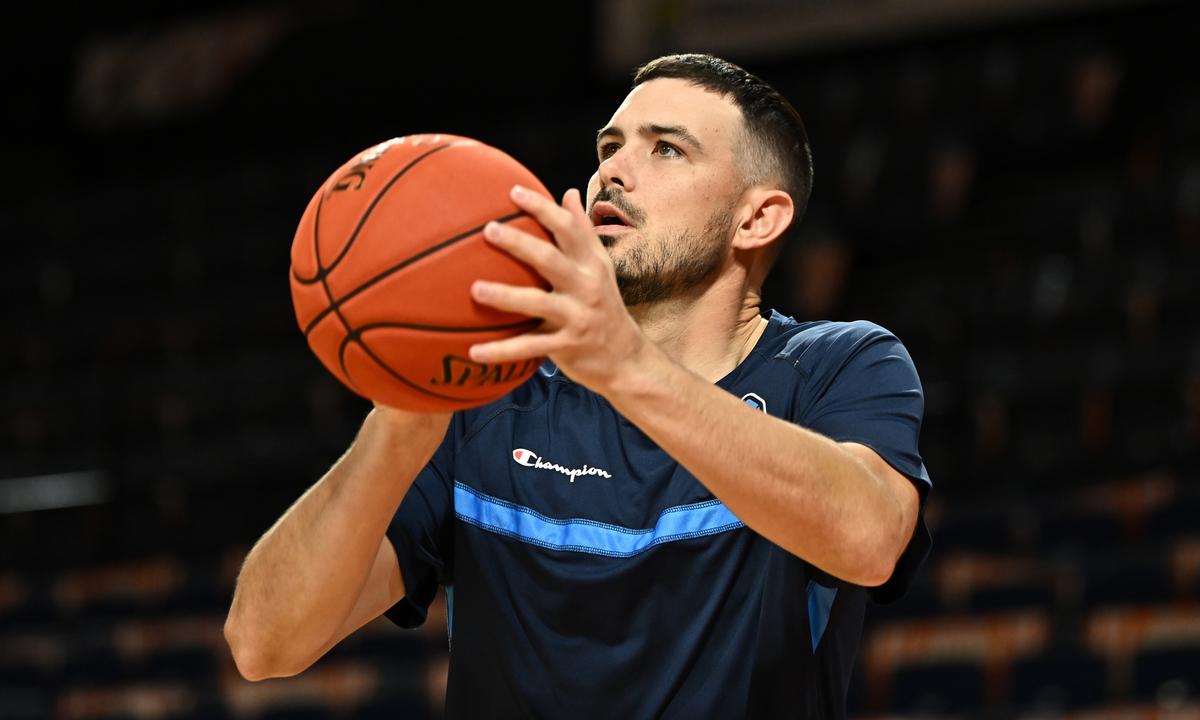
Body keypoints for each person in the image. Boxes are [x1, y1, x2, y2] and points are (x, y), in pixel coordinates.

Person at [224, 53, 931, 718]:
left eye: (666, 149)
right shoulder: (489, 399)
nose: (613, 173)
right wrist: (402, 415)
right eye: (607, 147)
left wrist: (625, 367)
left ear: (757, 218)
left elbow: (869, 538)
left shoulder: (840, 362)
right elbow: (264, 644)